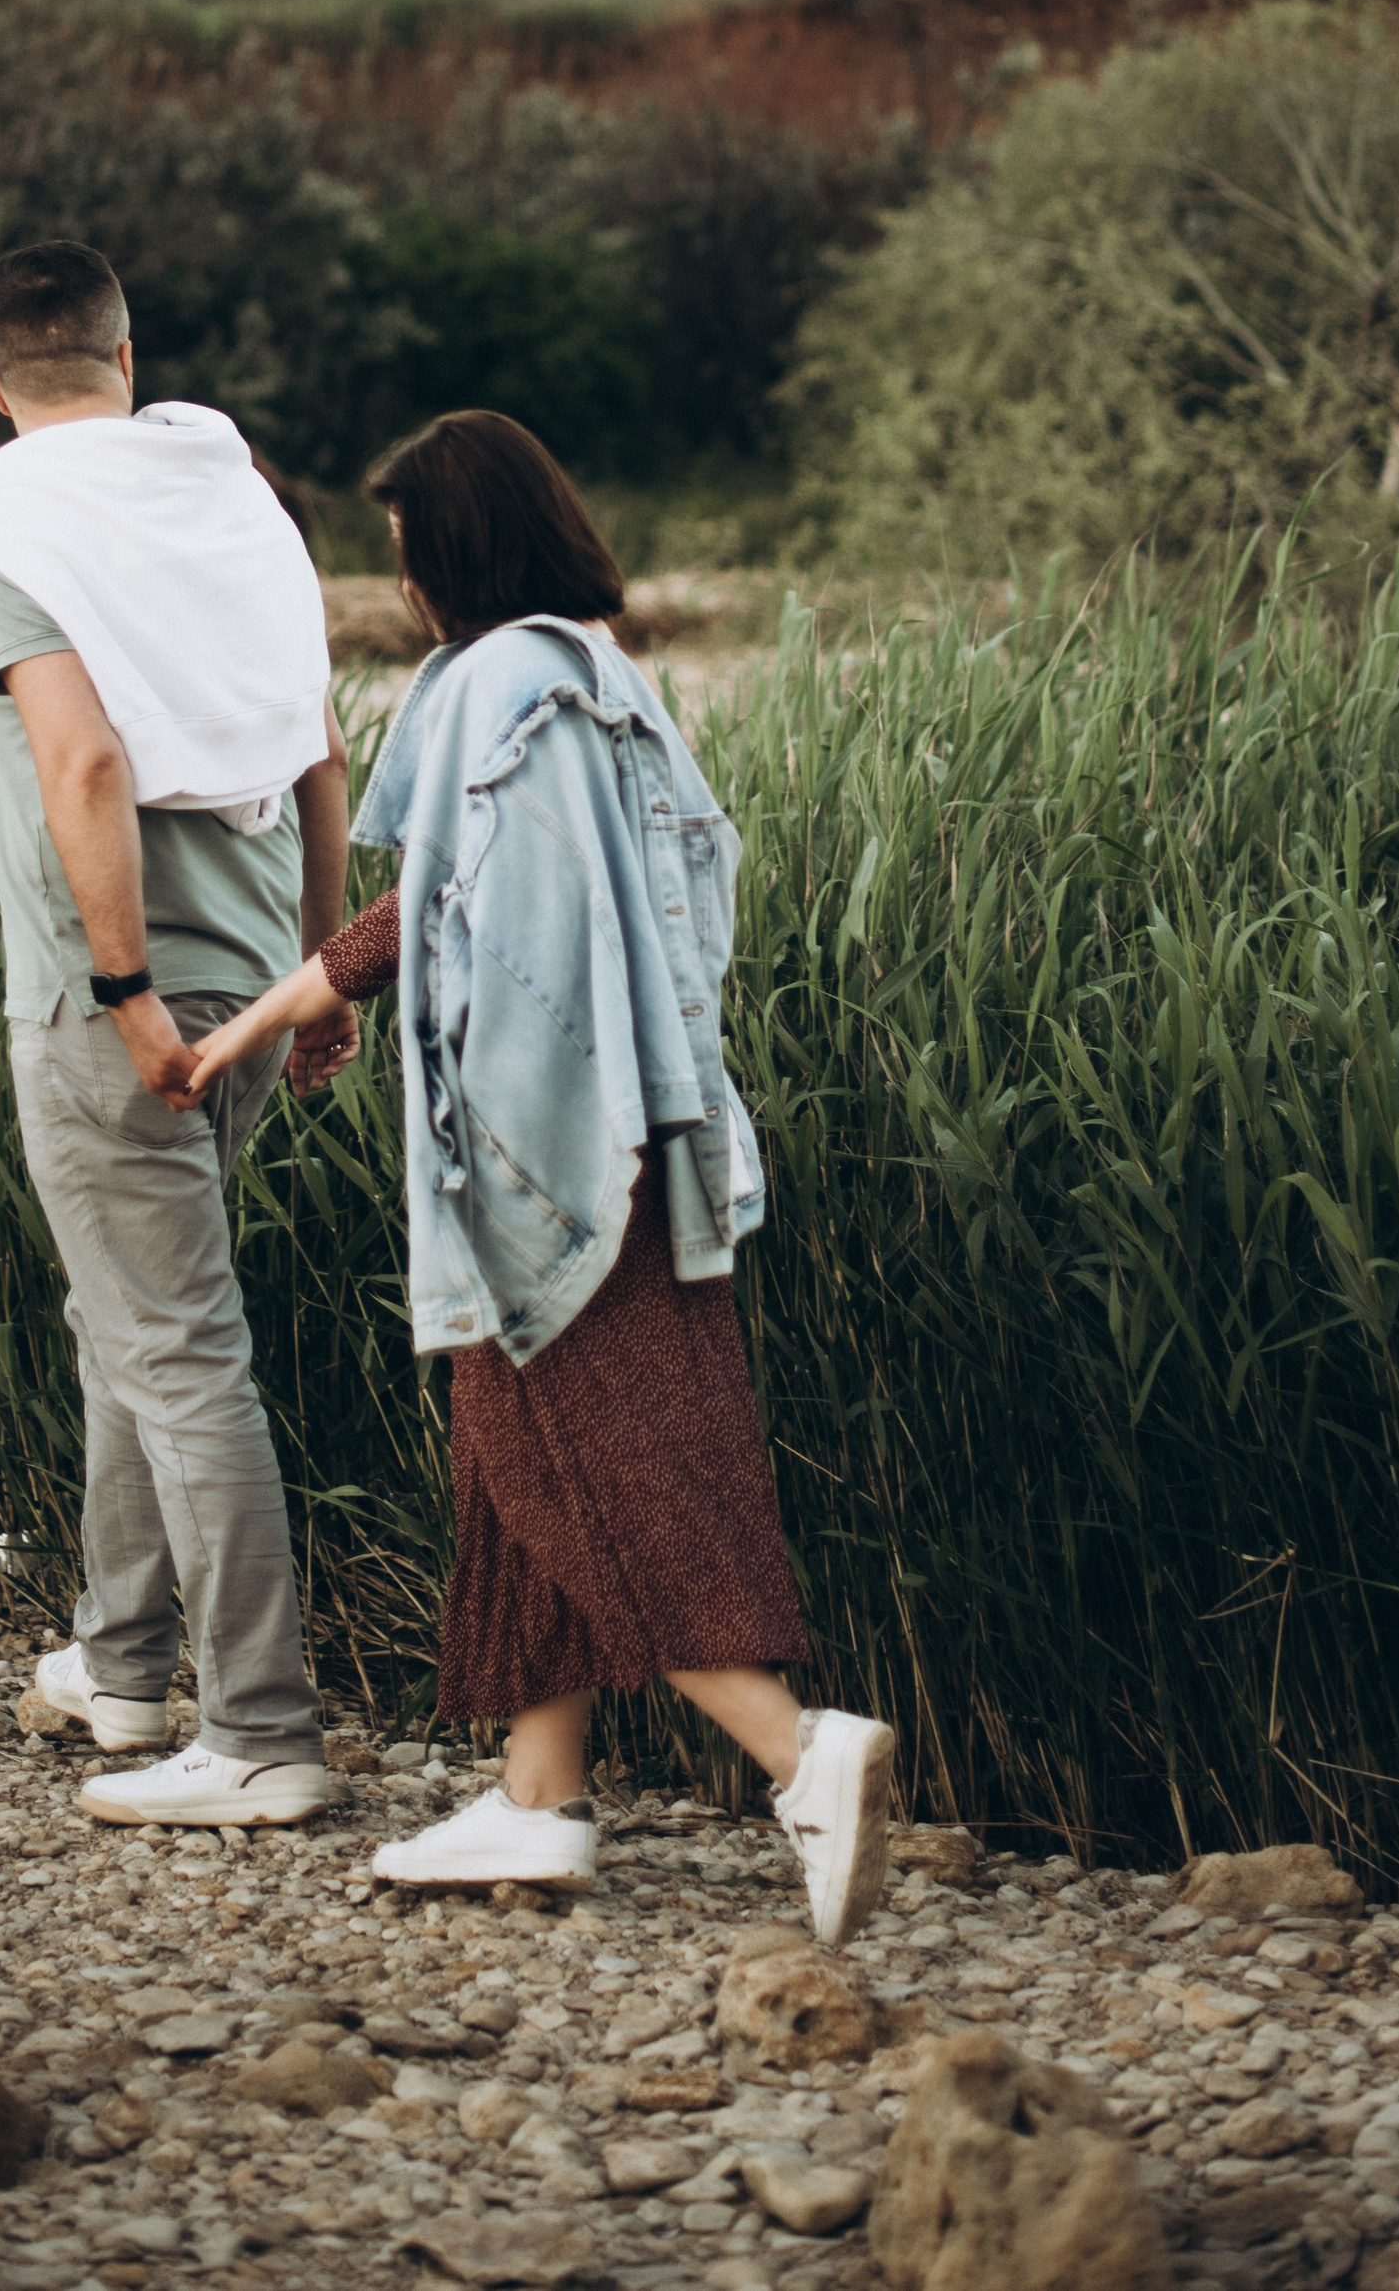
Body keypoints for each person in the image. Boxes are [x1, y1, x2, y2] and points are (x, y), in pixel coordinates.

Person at [178, 407, 896, 1944]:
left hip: (555, 1151)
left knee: (594, 1468)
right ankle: (540, 1793)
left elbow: (490, 934)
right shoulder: (591, 672)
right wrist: (278, 1015)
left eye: (406, 551)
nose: (402, 583)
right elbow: (435, 905)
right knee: (521, 1470)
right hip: (639, 1129)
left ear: (459, 547)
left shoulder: (495, 682)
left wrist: (481, 1130)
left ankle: (803, 1754)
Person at [0, 237, 345, 1830]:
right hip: (255, 980)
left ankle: (261, 1735)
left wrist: (119, 1001)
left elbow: (86, 768)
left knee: (179, 1352)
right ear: (128, 354)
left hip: (118, 1009)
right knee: (127, 1313)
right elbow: (318, 747)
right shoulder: (224, 490)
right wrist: (323, 971)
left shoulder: (7, 516)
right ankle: (119, 1670)